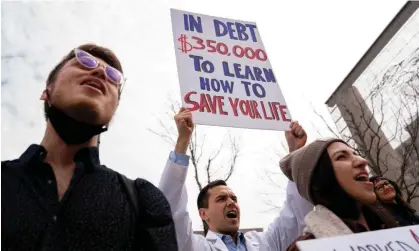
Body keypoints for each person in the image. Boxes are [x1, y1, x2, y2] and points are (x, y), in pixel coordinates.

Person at [2, 44, 178, 251]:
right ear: (46, 91)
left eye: (113, 76)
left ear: (113, 113)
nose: (100, 71)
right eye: (84, 61)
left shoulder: (142, 201)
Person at [158, 107, 314, 251]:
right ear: (204, 214)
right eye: (221, 199)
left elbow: (296, 216)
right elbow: (171, 209)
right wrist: (183, 141)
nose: (231, 202)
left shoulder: (265, 243)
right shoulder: (195, 246)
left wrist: (296, 153)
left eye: (234, 198)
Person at [279, 138, 399, 251]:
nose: (363, 161)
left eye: (355, 154)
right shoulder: (306, 247)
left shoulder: (394, 222)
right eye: (341, 156)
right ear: (320, 178)